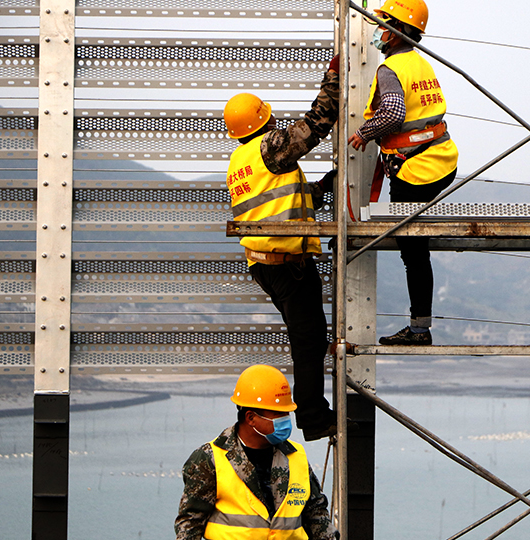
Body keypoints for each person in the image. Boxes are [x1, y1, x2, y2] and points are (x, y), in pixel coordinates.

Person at [223, 56, 340, 441]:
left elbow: (283, 202)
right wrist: (333, 80)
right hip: (288, 265)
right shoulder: (268, 148)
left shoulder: (240, 162)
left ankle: (312, 414)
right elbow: (317, 124)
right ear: (264, 121)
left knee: (306, 336)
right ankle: (314, 418)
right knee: (309, 342)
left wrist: (325, 186)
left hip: (265, 265)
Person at [348, 0, 458, 346]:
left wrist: (364, 133)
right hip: (441, 160)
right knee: (416, 247)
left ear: (398, 31)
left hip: (416, 170)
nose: (378, 31)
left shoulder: (391, 68)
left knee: (414, 251)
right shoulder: (419, 64)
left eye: (383, 24)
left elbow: (394, 113)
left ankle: (419, 329)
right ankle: (419, 326)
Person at [175, 365, 338, 540]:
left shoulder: (295, 456)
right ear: (251, 418)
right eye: (278, 414)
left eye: (286, 414)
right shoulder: (211, 458)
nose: (285, 420)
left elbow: (316, 513)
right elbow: (190, 524)